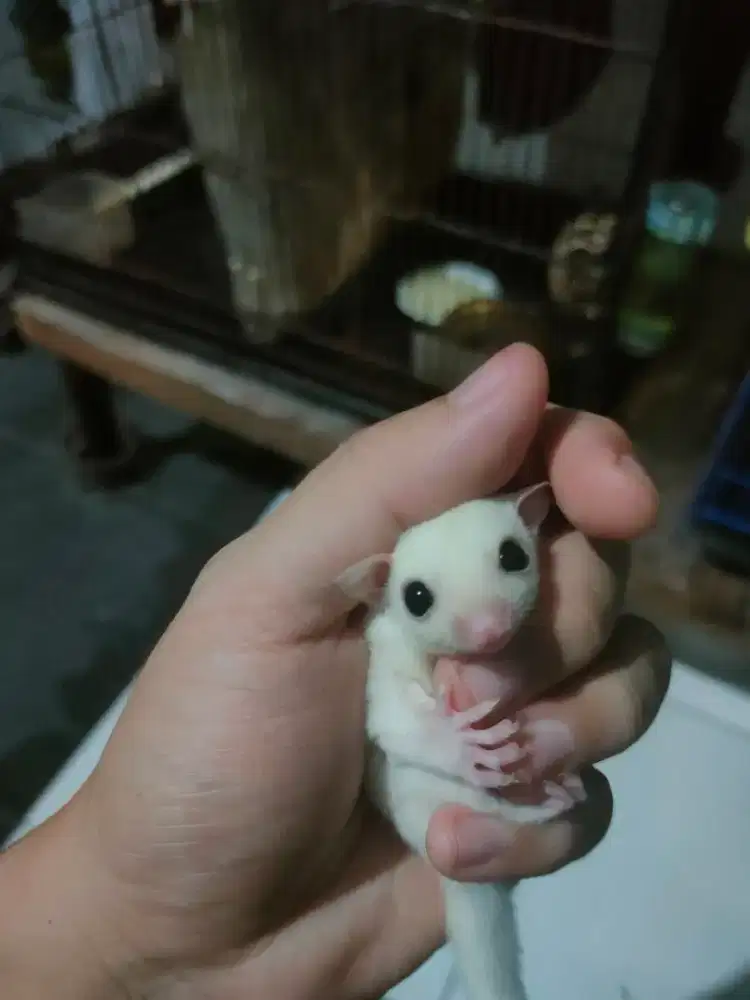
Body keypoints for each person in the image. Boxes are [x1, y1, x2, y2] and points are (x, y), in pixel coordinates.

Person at [1, 344, 669, 1000]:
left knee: (486, 893)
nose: (488, 625)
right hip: (414, 800)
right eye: (420, 599)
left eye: (513, 561)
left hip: (446, 828)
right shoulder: (381, 636)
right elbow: (391, 726)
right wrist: (457, 749)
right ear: (379, 586)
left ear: (533, 517)